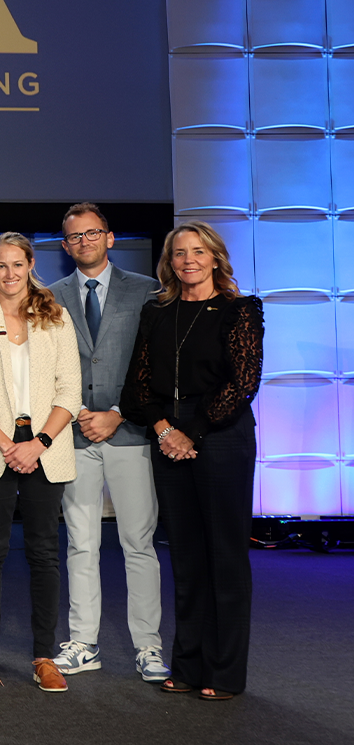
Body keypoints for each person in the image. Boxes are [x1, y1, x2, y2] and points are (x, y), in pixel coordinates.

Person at [122, 221, 262, 700]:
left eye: (198, 251)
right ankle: (187, 665)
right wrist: (165, 430)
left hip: (221, 435)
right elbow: (138, 387)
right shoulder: (157, 312)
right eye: (179, 252)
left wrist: (192, 432)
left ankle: (223, 673)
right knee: (185, 555)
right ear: (169, 261)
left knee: (224, 556)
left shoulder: (239, 310)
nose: (188, 260)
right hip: (168, 437)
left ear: (215, 257)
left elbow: (243, 382)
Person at [0, 232, 81, 693]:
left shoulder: (57, 317)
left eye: (17, 264)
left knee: (45, 553)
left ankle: (45, 656)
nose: (9, 274)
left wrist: (38, 442)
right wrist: (8, 444)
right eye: (0, 266)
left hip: (46, 448)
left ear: (30, 265)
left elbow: (71, 392)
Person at [47, 204, 167, 682]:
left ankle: (148, 647)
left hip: (131, 432)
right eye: (74, 236)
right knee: (81, 544)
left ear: (110, 238)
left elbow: (155, 366)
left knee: (138, 543)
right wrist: (79, 414)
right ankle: (83, 642)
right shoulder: (49, 297)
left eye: (92, 233)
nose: (84, 242)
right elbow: (49, 371)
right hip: (73, 436)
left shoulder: (148, 292)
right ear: (63, 245)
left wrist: (117, 414)